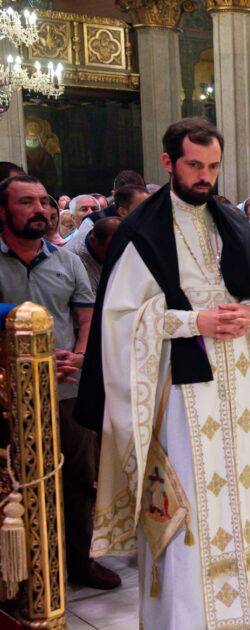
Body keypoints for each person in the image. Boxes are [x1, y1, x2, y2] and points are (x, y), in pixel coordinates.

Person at [77, 117, 250, 630]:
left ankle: (241, 620)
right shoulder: (141, 231)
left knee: (235, 505)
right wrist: (197, 323)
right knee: (188, 508)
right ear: (168, 163)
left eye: (213, 167)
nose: (205, 177)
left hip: (235, 391)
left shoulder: (231, 223)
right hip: (177, 393)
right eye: (194, 165)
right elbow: (121, 321)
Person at [0, 175, 119, 590]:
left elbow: (85, 317)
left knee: (79, 476)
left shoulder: (67, 260)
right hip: (10, 393)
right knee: (15, 483)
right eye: (26, 202)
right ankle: (18, 575)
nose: (40, 210)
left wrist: (82, 354)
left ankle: (80, 561)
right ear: (2, 212)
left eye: (44, 202)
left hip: (67, 386)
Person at [65, 216, 121, 292]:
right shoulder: (77, 263)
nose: (117, 254)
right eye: (112, 249)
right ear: (93, 241)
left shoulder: (89, 224)